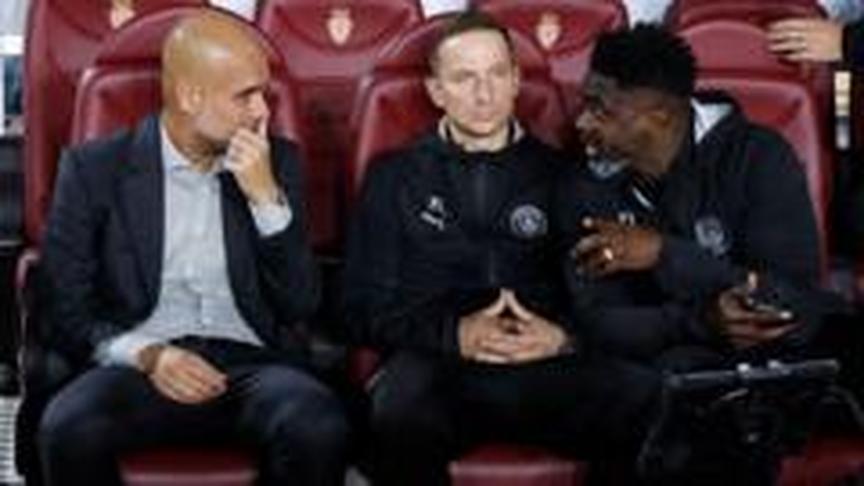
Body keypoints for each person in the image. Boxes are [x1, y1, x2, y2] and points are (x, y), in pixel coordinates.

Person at [343, 11, 659, 486]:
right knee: (394, 410)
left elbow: (611, 300)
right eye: (464, 78)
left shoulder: (567, 176)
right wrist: (454, 335)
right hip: (439, 366)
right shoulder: (394, 176)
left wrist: (563, 337)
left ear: (516, 81)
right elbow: (357, 308)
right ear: (436, 91)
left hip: (545, 361)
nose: (484, 94)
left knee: (645, 396)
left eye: (495, 74)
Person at [35, 11, 349, 486]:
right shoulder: (94, 170)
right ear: (189, 96)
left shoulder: (277, 162)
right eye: (245, 95)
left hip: (251, 366)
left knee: (319, 426)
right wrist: (150, 355)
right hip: (141, 363)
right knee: (69, 429)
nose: (261, 111)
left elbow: (300, 303)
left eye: (264, 94)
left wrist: (265, 198)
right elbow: (63, 308)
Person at [559, 24, 827, 483]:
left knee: (732, 399)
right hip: (653, 377)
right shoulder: (582, 184)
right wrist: (701, 319)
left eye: (600, 110)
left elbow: (794, 304)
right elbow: (597, 322)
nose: (582, 122)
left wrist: (665, 255)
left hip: (759, 371)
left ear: (660, 115)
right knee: (659, 389)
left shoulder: (758, 157)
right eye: (585, 103)